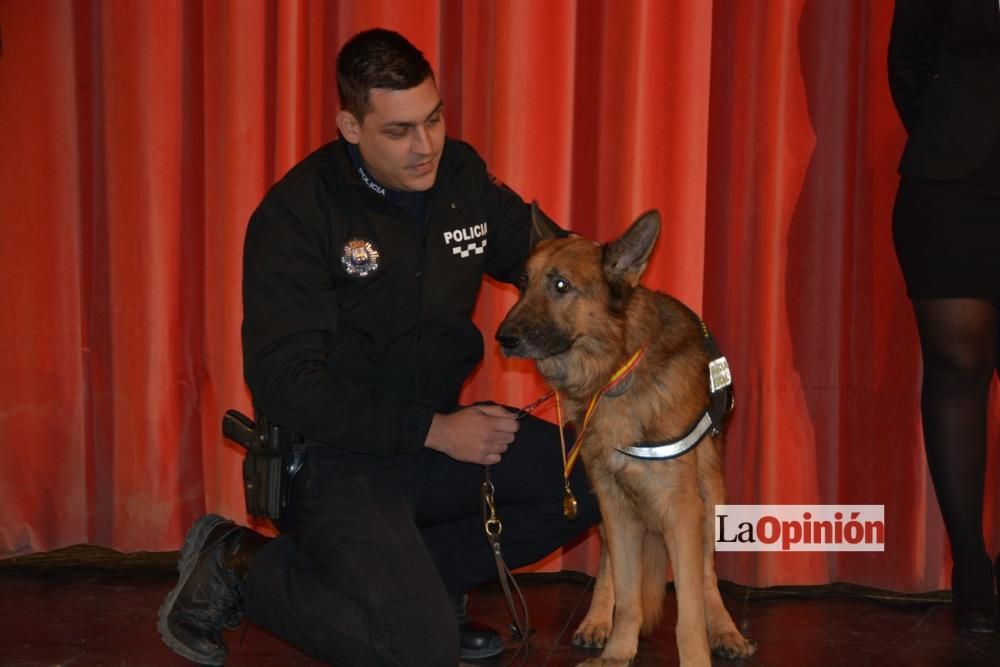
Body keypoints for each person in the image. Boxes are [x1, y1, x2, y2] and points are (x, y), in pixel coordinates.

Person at [157, 28, 600, 665]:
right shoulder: (297, 214)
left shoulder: (462, 177)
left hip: (433, 442)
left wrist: (635, 309)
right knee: (418, 652)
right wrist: (433, 431)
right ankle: (238, 563)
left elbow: (552, 259)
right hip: (335, 461)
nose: (426, 148)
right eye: (398, 131)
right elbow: (287, 381)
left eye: (435, 119)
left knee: (588, 481)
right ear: (350, 125)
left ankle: (424, 589)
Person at [888, 0, 1000, 634]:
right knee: (959, 367)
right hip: (954, 186)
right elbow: (908, 63)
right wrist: (950, 134)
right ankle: (973, 575)